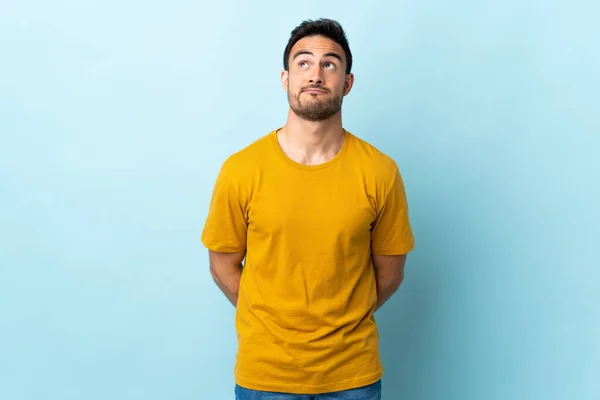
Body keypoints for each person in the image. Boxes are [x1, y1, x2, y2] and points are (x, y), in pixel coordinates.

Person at [201, 18, 415, 400]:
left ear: (347, 83)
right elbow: (222, 264)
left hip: (353, 377)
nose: (315, 74)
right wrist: (269, 320)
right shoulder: (241, 170)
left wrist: (343, 320)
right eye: (304, 63)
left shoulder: (380, 172)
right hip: (265, 376)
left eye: (329, 63)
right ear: (285, 78)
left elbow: (390, 272)